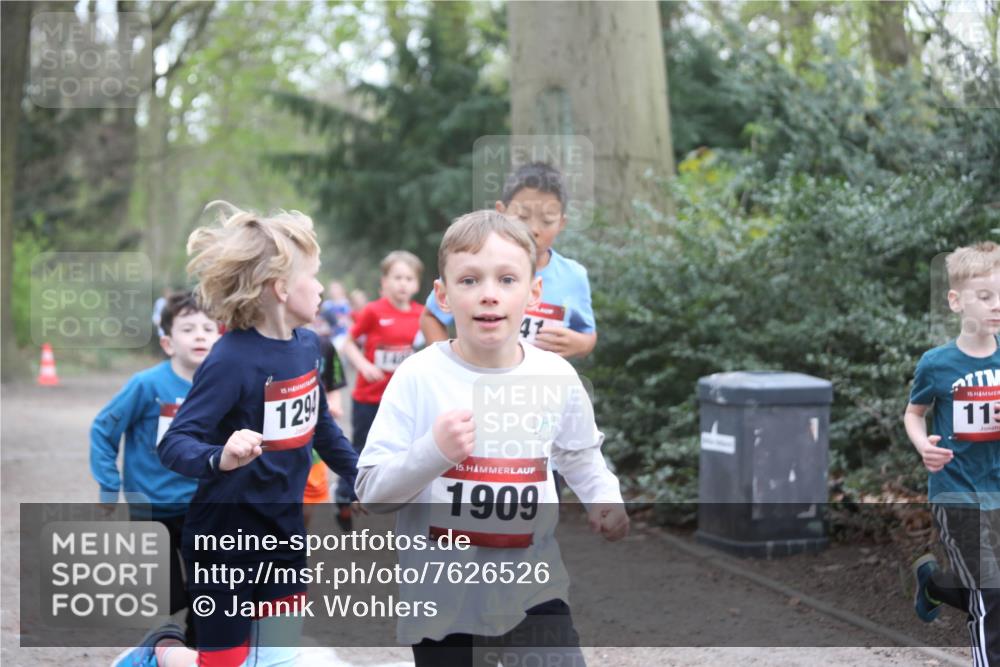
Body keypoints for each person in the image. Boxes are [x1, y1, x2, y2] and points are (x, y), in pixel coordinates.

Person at [356, 210, 628, 666]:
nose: (488, 294)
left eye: (506, 279)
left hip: (534, 591)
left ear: (533, 292)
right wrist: (433, 452)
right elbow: (372, 491)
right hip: (443, 605)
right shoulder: (418, 376)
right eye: (469, 280)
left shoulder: (557, 376)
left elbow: (581, 456)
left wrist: (605, 499)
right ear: (442, 295)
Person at [113, 202, 359, 667]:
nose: (322, 287)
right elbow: (174, 443)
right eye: (314, 276)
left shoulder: (311, 346)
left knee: (276, 658)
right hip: (224, 541)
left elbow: (322, 426)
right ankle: (158, 652)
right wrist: (220, 455)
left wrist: (360, 474)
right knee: (222, 663)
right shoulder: (230, 359)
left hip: (284, 534)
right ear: (281, 288)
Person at [92, 291, 221, 646]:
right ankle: (167, 636)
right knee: (166, 596)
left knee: (209, 588)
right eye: (188, 329)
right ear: (168, 342)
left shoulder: (223, 385)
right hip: (151, 507)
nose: (199, 335)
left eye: (208, 328)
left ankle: (198, 647)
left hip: (204, 506)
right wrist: (108, 485)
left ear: (221, 338)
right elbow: (103, 429)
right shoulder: (146, 385)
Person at [905, 241, 1000, 666]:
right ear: (956, 301)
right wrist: (923, 443)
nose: (996, 305)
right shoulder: (936, 364)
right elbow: (914, 413)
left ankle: (934, 585)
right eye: (985, 296)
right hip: (956, 493)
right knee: (990, 592)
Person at [419, 162, 596, 360]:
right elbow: (431, 316)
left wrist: (581, 344)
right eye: (522, 217)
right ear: (501, 211)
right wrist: (446, 364)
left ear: (562, 223)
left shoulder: (574, 276)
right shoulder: (478, 263)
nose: (533, 229)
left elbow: (588, 333)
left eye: (547, 220)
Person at [334, 250, 424, 531]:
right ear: (384, 282)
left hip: (402, 400)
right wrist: (363, 365)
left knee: (403, 451)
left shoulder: (422, 315)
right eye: (397, 277)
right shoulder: (373, 311)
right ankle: (344, 498)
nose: (403, 284)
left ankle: (395, 503)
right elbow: (348, 343)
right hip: (369, 396)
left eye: (409, 278)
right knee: (361, 450)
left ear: (417, 284)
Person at [303, 314, 348, 528]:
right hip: (277, 448)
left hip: (314, 442)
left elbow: (333, 385)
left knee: (307, 507)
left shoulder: (323, 345)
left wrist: (333, 404)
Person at [319, 280, 352, 349]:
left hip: (343, 335)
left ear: (342, 290)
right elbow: (321, 321)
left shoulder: (346, 305)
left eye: (336, 288)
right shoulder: (327, 305)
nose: (334, 291)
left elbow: (350, 322)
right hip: (329, 336)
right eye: (332, 288)